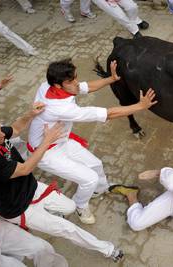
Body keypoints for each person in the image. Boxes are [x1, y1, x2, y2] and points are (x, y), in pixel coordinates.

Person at [0, 108, 124, 262]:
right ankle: (109, 250)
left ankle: (49, 218)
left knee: (71, 207)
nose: (2, 135)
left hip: (32, 188)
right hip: (18, 207)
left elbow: (15, 129)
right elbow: (26, 168)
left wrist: (30, 114)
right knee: (68, 229)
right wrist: (48, 140)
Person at [27, 58, 157, 224]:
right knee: (89, 178)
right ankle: (80, 205)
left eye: (75, 77)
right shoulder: (61, 108)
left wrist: (111, 78)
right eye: (71, 80)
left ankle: (99, 191)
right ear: (58, 85)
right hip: (44, 152)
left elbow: (85, 87)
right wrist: (140, 106)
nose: (76, 82)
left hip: (59, 140)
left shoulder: (48, 85)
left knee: (96, 164)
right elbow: (108, 114)